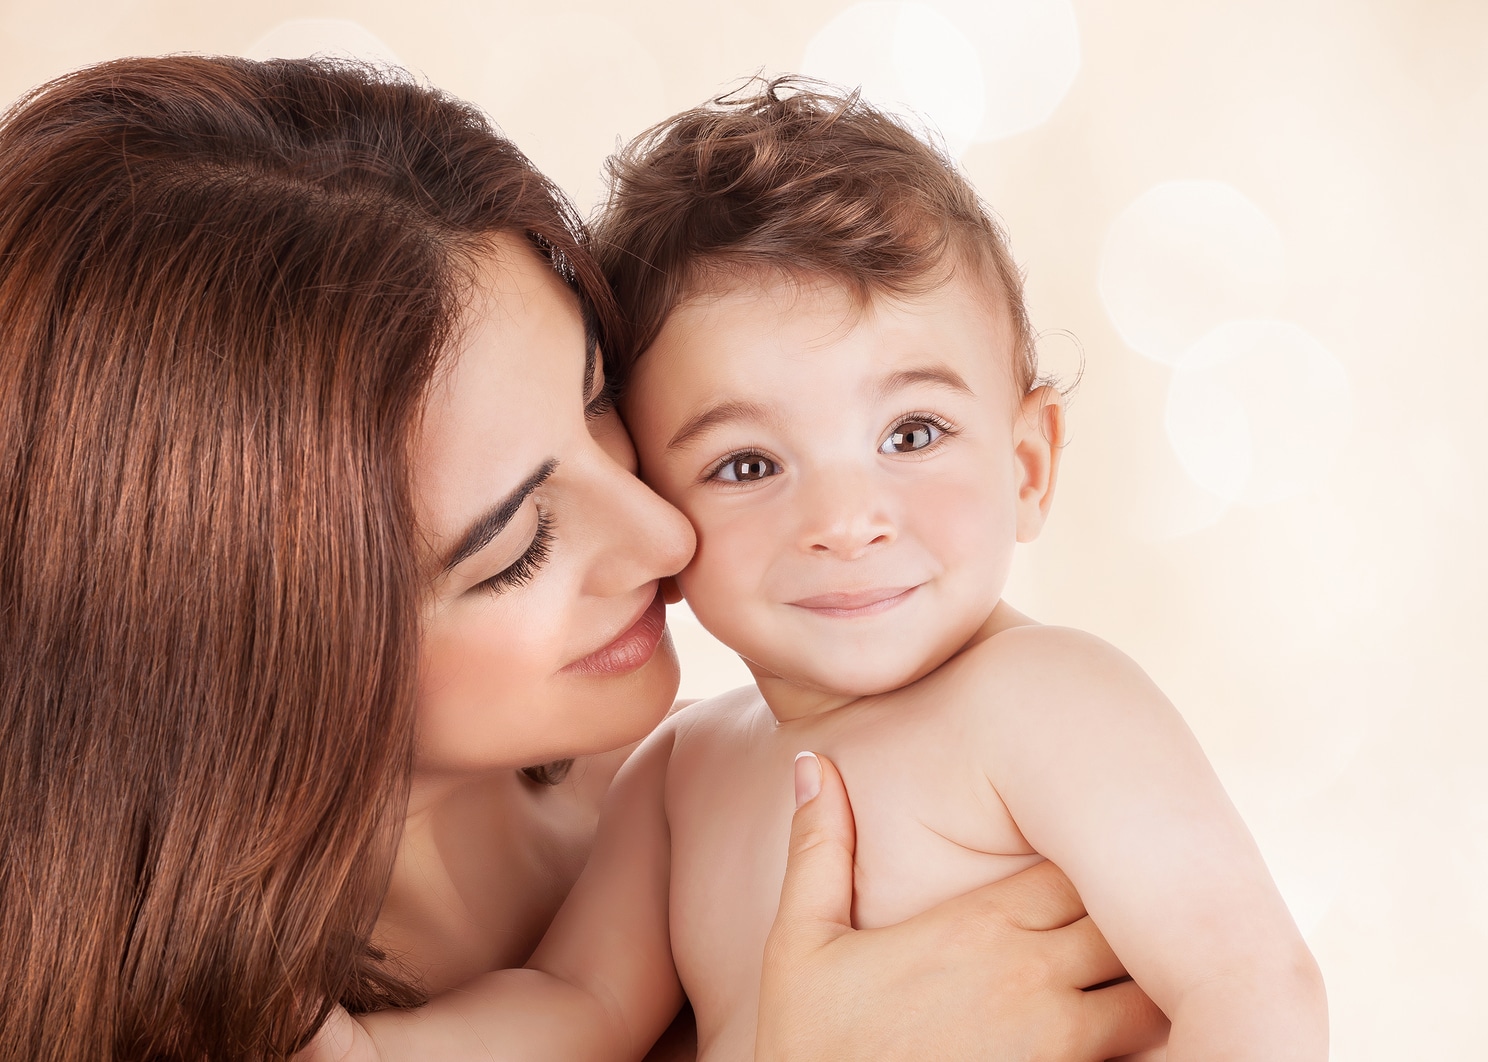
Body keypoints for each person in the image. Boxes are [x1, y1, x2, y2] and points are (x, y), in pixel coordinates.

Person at [0, 57, 1165, 1062]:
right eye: (514, 548)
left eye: (602, 404)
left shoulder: (726, 779)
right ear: (247, 662)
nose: (665, 536)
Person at [311, 82, 1327, 1061]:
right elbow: (574, 1005)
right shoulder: (681, 772)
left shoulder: (1051, 701)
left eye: (912, 432)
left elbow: (1249, 986)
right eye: (747, 465)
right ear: (661, 495)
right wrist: (370, 1050)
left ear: (1026, 464)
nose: (845, 522)